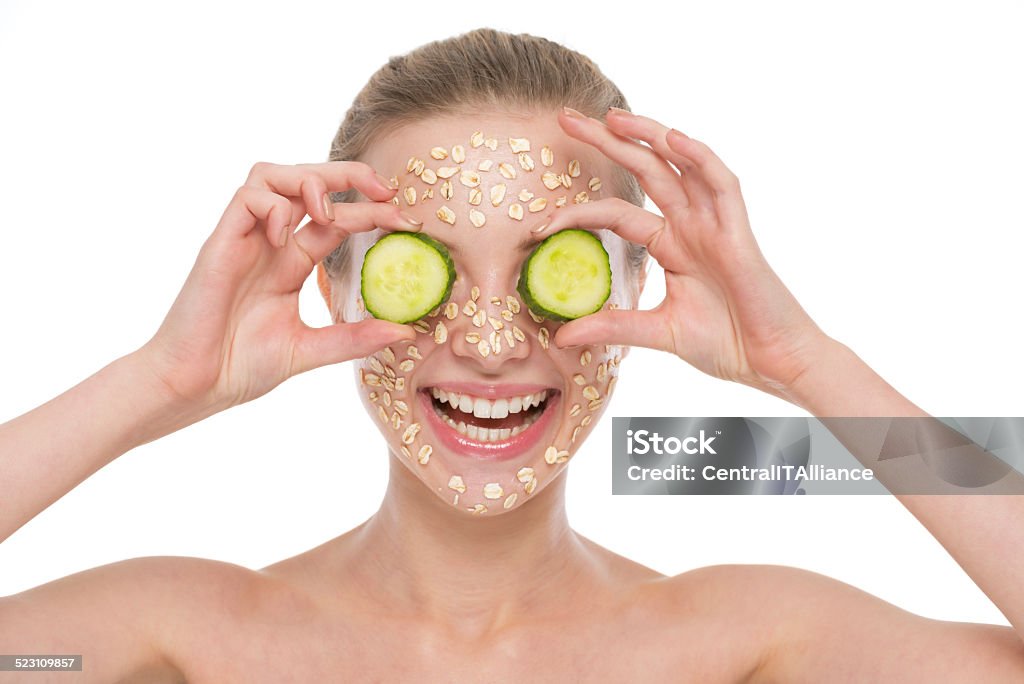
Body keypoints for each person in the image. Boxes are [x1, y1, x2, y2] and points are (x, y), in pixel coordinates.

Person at [2, 27, 1023, 682]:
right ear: (334, 283)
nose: (490, 344)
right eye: (425, 270)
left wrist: (803, 360)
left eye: (554, 269)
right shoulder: (189, 634)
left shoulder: (743, 637)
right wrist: (158, 379)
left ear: (635, 286)